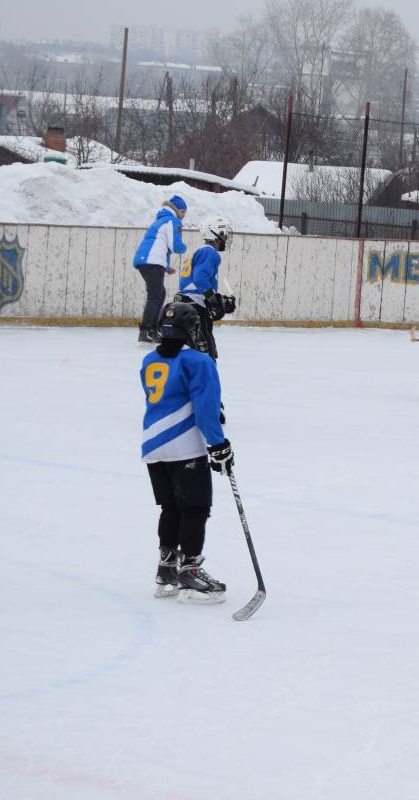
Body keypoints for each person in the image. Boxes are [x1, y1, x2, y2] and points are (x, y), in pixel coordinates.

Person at [140, 301, 233, 602]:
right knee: (194, 509)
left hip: (153, 445)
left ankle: (166, 569)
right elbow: (205, 409)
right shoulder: (198, 361)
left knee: (171, 508)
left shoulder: (150, 360)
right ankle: (190, 571)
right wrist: (218, 443)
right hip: (184, 446)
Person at [175, 216, 234, 359]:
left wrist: (218, 299)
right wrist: (212, 299)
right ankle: (205, 377)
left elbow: (193, 284)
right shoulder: (209, 252)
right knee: (206, 349)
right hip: (194, 305)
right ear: (215, 234)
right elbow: (200, 279)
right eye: (224, 234)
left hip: (184, 301)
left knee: (192, 345)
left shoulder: (199, 250)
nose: (226, 238)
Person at [132, 196, 187, 343]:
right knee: (155, 296)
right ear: (176, 210)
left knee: (159, 294)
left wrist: (166, 267)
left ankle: (153, 329)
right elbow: (175, 246)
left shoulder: (162, 220)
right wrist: (183, 246)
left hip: (148, 261)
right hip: (151, 262)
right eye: (182, 211)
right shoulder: (172, 221)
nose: (183, 215)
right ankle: (146, 331)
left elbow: (158, 245)